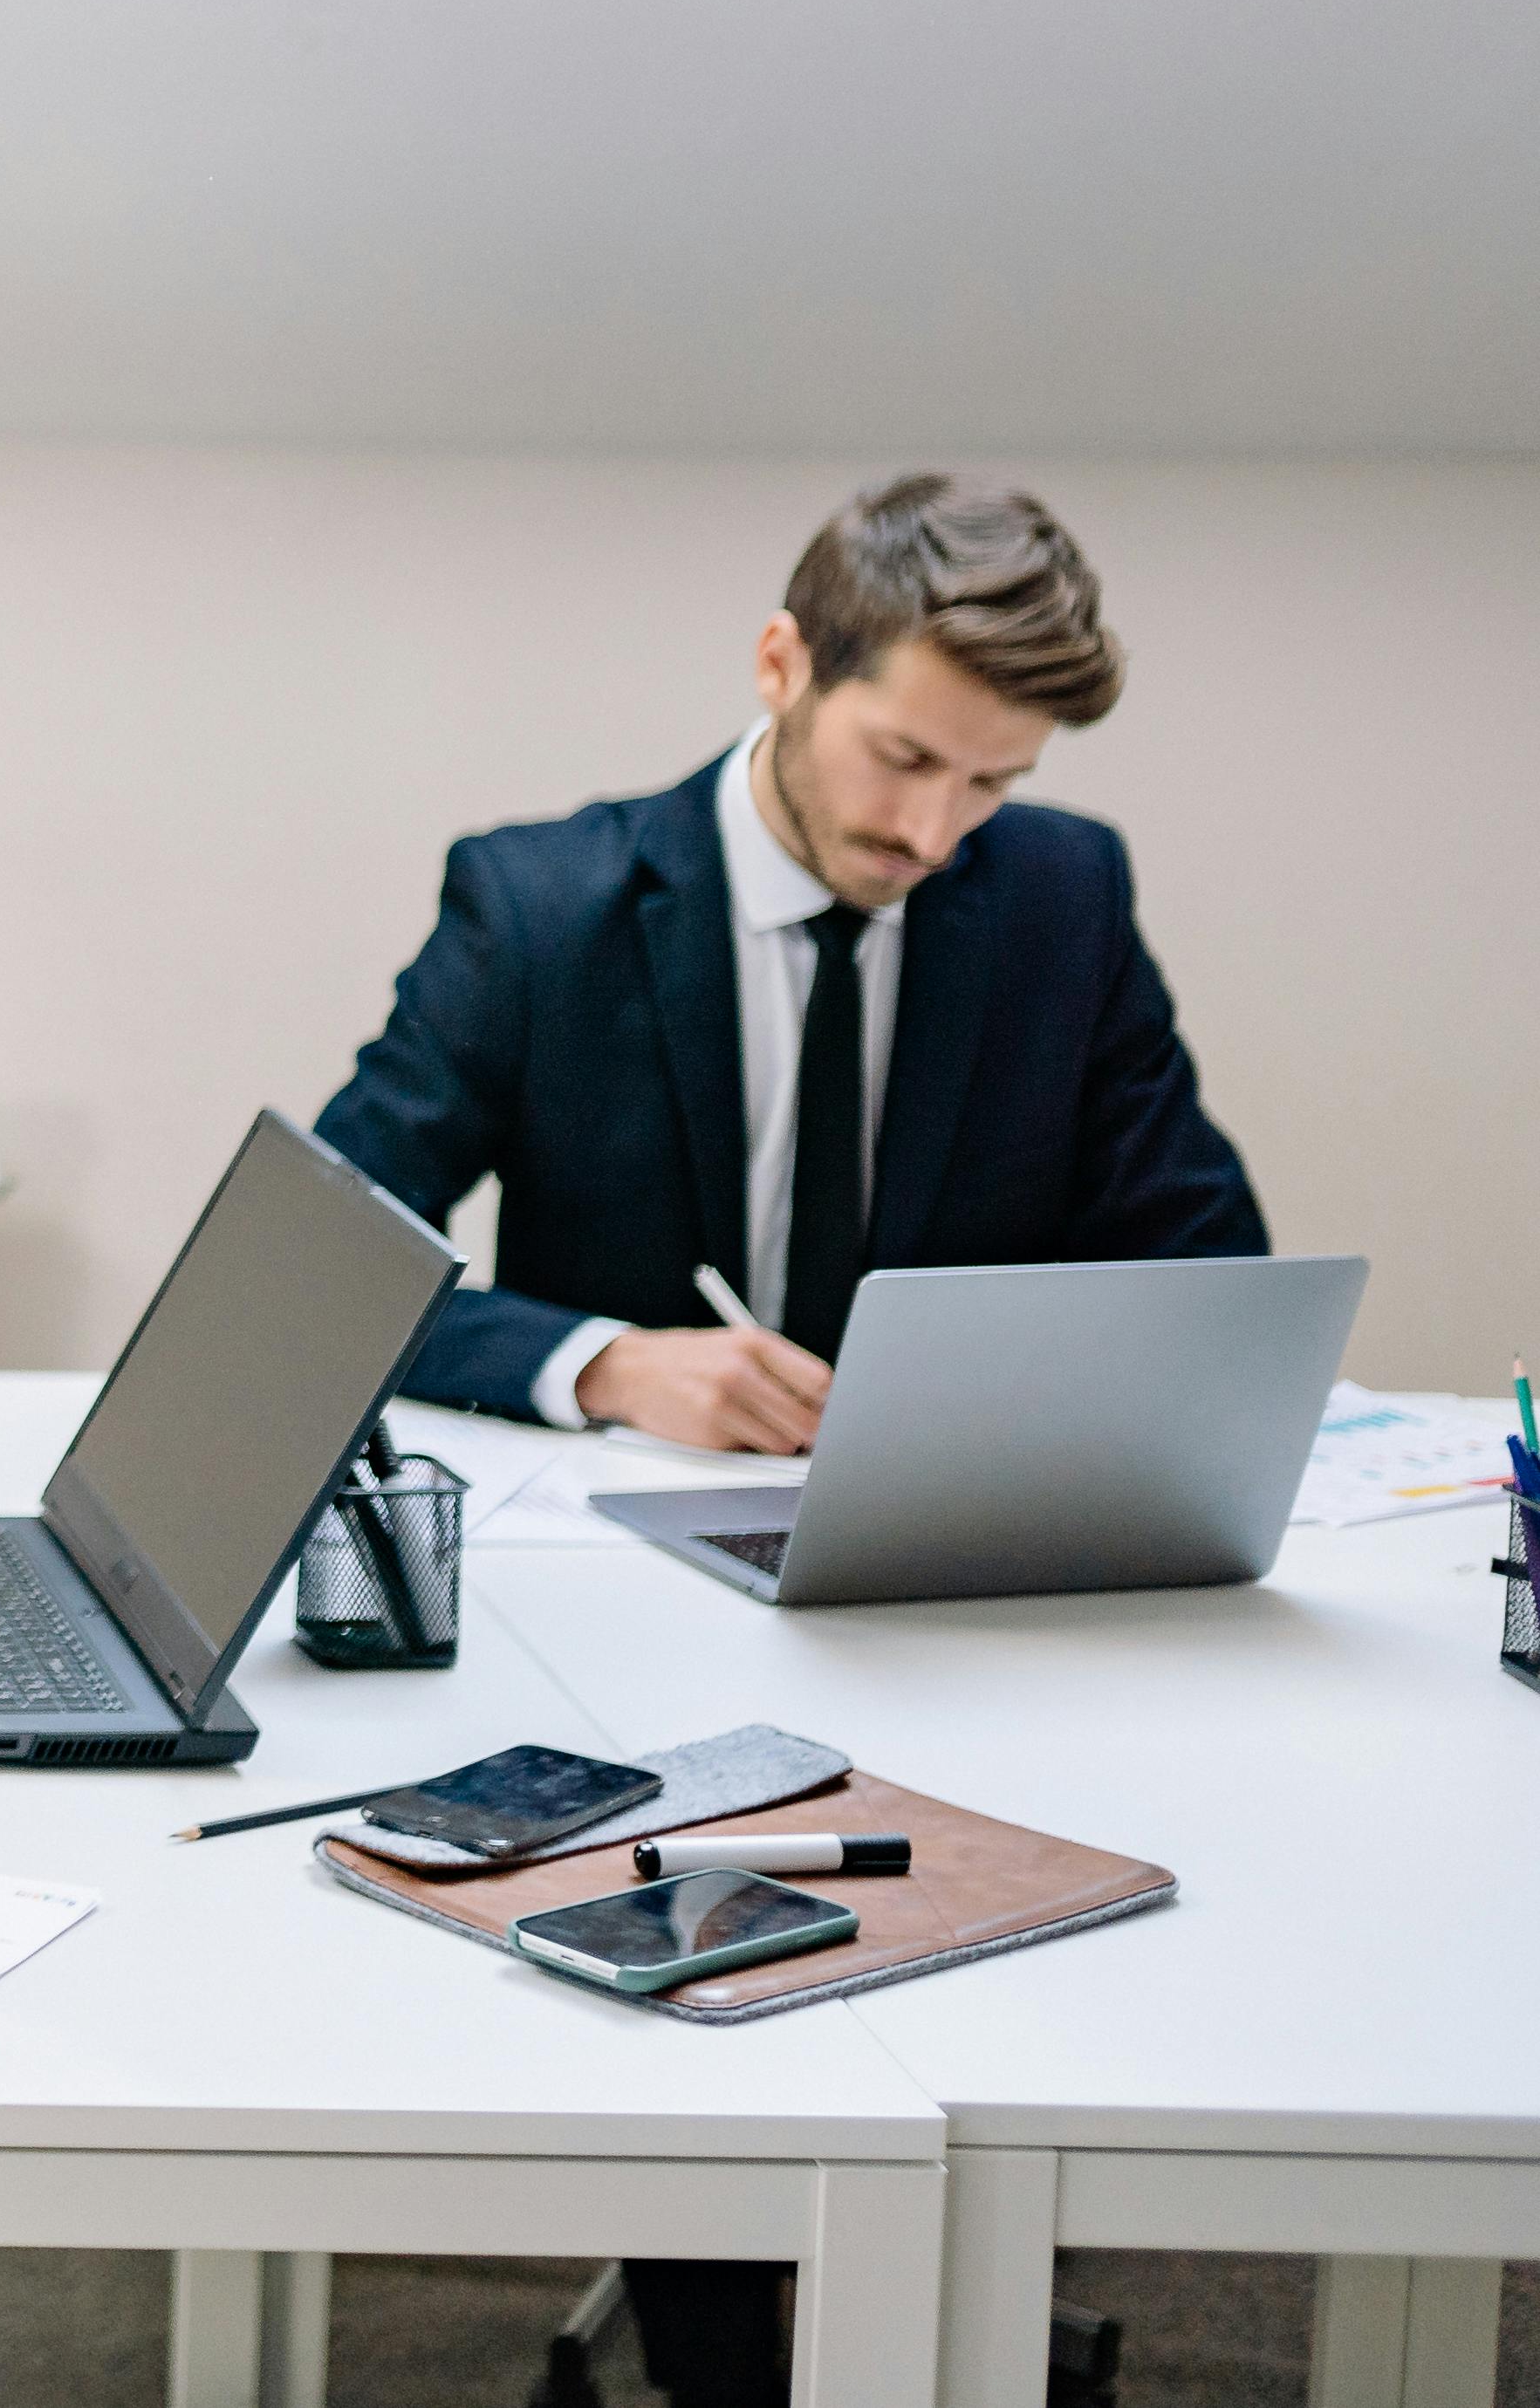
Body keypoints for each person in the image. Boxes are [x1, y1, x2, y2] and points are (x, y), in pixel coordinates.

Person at [311, 471, 1263, 2408]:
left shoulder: (1063, 895)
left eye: (986, 787)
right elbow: (330, 1250)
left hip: (949, 1578)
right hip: (635, 1617)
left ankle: (930, 2287)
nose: (932, 831)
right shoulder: (546, 898)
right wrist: (599, 1358)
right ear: (781, 663)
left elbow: (1205, 1253)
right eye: (906, 756)